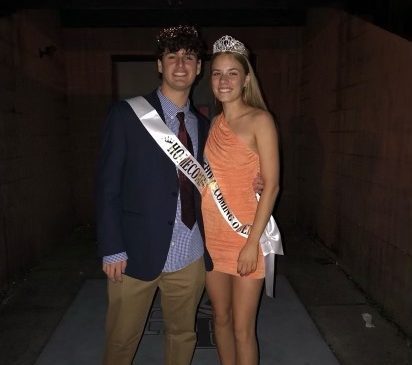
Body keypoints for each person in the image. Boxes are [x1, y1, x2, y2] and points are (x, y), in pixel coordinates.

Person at [96, 25, 213, 365]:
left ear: (199, 68)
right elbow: (107, 186)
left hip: (189, 254)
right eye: (172, 57)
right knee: (121, 339)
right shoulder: (127, 114)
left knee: (183, 335)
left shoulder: (204, 127)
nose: (181, 64)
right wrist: (111, 247)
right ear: (160, 65)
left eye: (189, 57)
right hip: (132, 253)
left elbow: (212, 184)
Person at [201, 35, 280, 365]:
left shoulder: (260, 121)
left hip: (246, 236)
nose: (224, 80)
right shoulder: (213, 124)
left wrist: (251, 244)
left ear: (246, 79)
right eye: (217, 73)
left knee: (243, 329)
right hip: (211, 238)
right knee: (220, 319)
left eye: (232, 73)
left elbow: (272, 186)